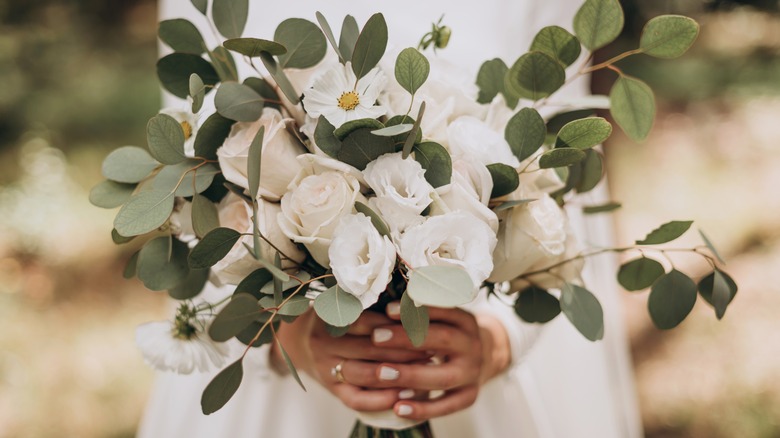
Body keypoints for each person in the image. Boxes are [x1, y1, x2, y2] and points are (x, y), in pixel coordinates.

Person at [138, 1, 642, 436]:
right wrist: (286, 337)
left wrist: (498, 342)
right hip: (283, 384)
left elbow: (554, 182)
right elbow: (196, 191)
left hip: (469, 376)